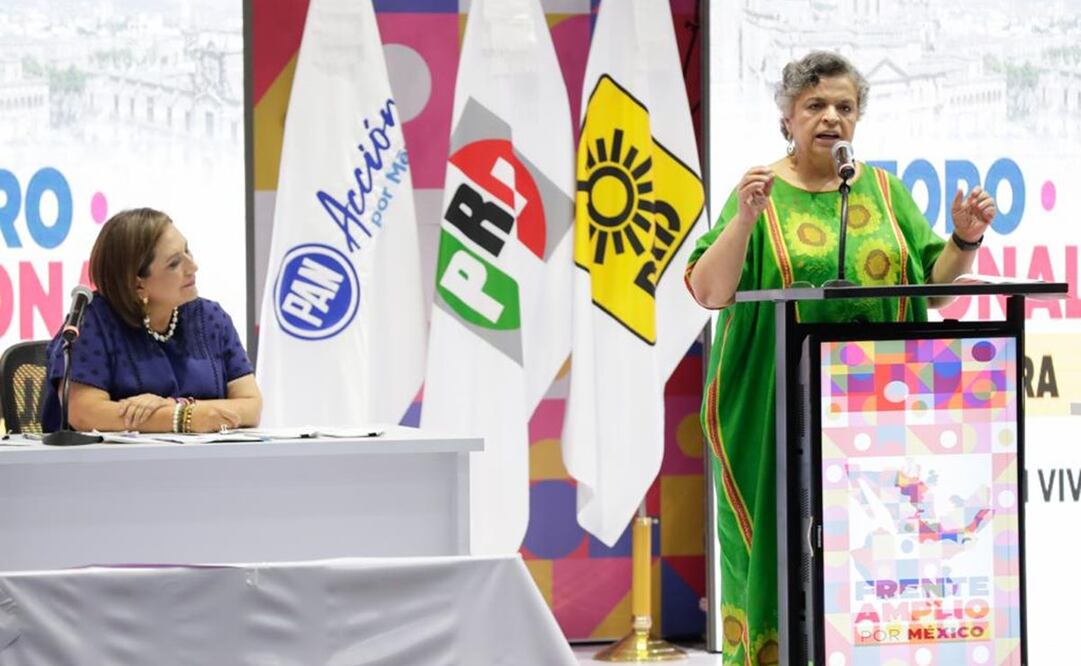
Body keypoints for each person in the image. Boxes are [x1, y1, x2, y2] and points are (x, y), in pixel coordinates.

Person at [685, 51, 995, 663]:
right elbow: (708, 291)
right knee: (789, 553)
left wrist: (964, 239)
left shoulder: (883, 190)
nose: (832, 118)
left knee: (877, 550)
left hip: (876, 415)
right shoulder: (759, 191)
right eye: (816, 106)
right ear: (788, 118)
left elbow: (934, 288)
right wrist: (745, 220)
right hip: (780, 412)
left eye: (844, 107)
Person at [42, 208, 262, 434]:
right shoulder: (93, 321)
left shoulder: (211, 318)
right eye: (174, 263)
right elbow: (84, 413)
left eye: (187, 251)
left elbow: (251, 406)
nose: (192, 267)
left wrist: (177, 406)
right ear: (138, 284)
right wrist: (181, 419)